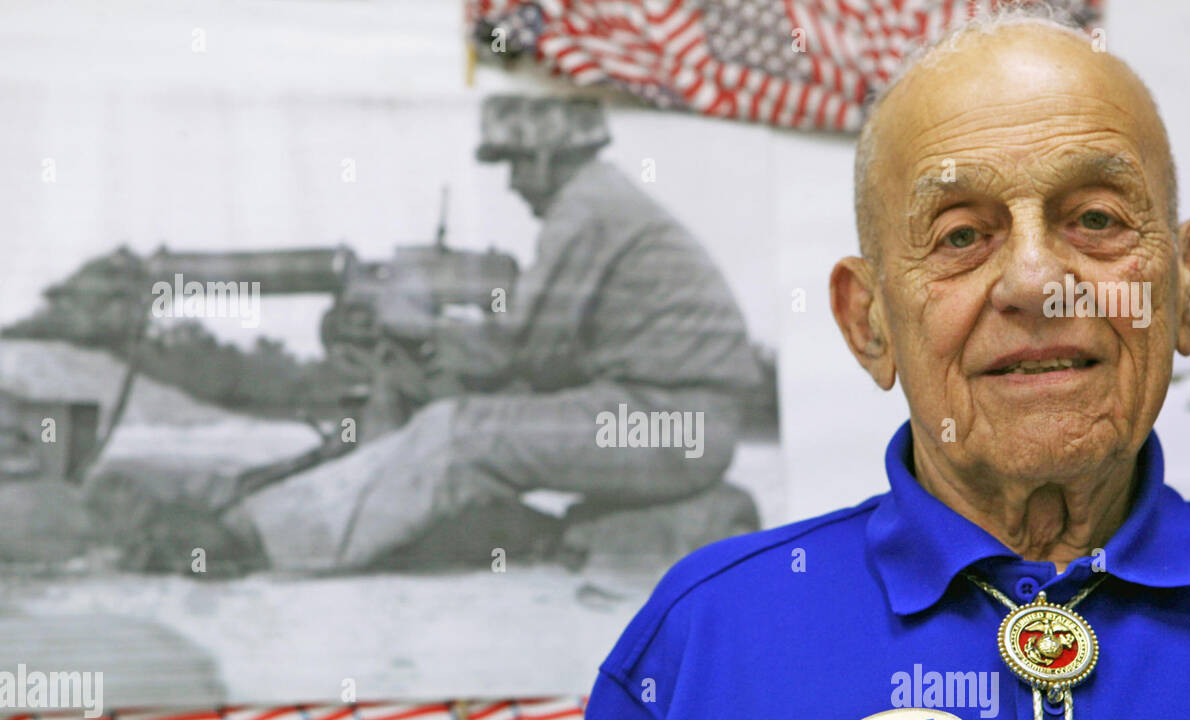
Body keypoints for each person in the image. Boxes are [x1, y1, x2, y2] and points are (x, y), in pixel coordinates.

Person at [556, 7, 1190, 720]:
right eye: (959, 235)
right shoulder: (703, 645)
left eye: (1095, 219)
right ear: (867, 321)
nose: (1034, 281)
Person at [91, 95, 763, 573]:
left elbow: (522, 351)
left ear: (544, 152)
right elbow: (541, 356)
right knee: (460, 424)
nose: (512, 183)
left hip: (672, 422)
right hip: (676, 417)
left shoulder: (586, 207)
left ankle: (255, 541)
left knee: (461, 435)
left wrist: (423, 328)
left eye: (513, 162)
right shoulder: (604, 201)